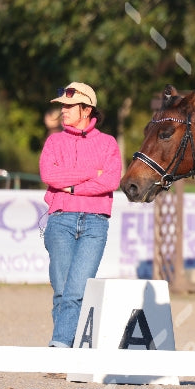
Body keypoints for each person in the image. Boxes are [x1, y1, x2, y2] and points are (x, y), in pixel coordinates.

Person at [39, 82, 122, 347]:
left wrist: (70, 186)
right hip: (60, 219)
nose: (63, 111)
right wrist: (90, 174)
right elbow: (49, 175)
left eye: (68, 106)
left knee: (75, 291)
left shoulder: (108, 143)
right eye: (62, 106)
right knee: (62, 291)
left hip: (95, 224)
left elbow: (110, 181)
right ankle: (66, 347)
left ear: (86, 109)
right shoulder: (54, 141)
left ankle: (59, 347)